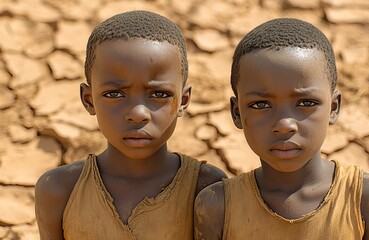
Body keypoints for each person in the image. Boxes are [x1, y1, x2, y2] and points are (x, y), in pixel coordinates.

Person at [35, 10, 226, 240]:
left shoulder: (205, 189)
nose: (138, 113)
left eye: (158, 93)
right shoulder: (60, 190)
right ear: (89, 99)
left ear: (183, 101)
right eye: (114, 93)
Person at [194, 18, 369, 240]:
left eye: (306, 103)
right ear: (237, 113)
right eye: (261, 105)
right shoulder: (218, 206)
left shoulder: (363, 197)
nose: (284, 125)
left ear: (333, 108)